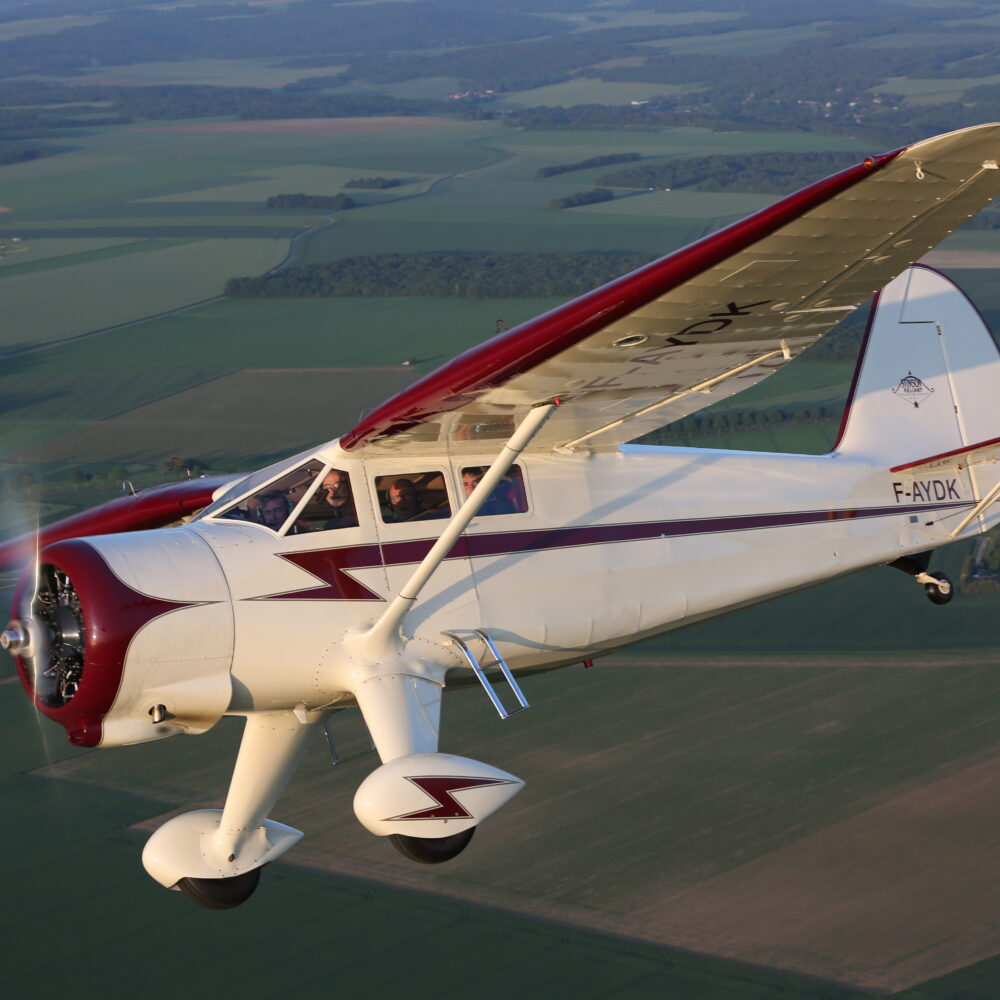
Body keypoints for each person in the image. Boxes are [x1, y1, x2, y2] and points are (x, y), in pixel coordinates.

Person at [382, 477, 449, 522]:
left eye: (407, 496)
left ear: (417, 497)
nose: (402, 501)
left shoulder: (439, 516)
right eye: (396, 498)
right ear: (390, 504)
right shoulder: (390, 523)